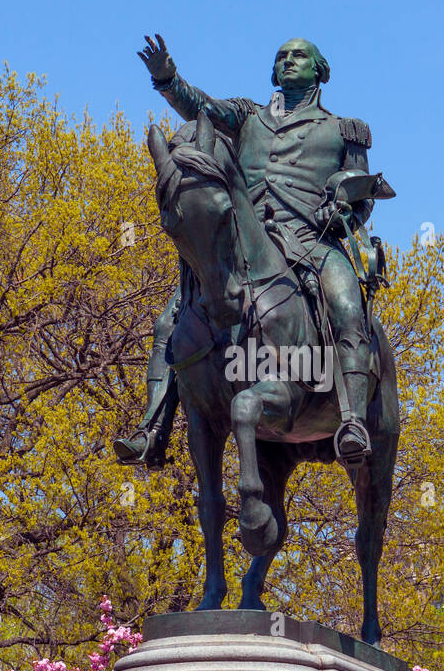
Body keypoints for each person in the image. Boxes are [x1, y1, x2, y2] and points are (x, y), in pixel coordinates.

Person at [113, 34, 377, 468]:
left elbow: (361, 201)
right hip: (246, 242)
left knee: (347, 307)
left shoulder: (344, 130)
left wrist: (343, 205)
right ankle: (153, 428)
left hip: (312, 240)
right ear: (273, 72)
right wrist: (167, 77)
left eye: (299, 56)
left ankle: (352, 421)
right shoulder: (246, 115)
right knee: (170, 320)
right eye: (281, 57)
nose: (289, 62)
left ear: (319, 70)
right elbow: (200, 106)